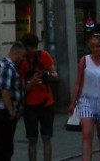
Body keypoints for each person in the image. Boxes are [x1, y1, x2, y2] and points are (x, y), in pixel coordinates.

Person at [70, 33, 100, 161]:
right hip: (86, 99)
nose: (95, 49)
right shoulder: (84, 61)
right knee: (87, 133)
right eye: (93, 47)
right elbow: (78, 83)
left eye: (98, 46)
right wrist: (72, 102)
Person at [17, 32, 58, 161]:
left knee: (46, 137)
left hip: (46, 103)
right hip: (30, 106)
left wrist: (47, 75)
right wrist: (33, 82)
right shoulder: (23, 62)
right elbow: (23, 89)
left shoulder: (44, 56)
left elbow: (55, 75)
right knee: (32, 139)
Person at [0, 42, 25, 161]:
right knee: (3, 147)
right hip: (2, 111)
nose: (23, 60)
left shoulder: (1, 64)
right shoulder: (7, 67)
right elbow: (5, 90)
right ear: (15, 53)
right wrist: (11, 110)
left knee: (0, 145)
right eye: (22, 56)